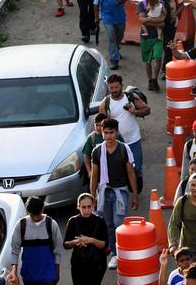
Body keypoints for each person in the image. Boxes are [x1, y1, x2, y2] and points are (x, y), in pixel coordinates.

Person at [89, 117, 138, 268]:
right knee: (108, 224)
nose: (108, 136)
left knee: (118, 223)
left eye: (111, 132)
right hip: (104, 192)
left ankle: (122, 253)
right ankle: (114, 255)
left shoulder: (124, 149)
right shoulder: (97, 151)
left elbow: (130, 172)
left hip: (120, 192)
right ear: (101, 133)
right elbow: (95, 175)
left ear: (117, 133)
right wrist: (92, 197)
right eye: (105, 132)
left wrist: (135, 195)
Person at [7, 196, 64, 285]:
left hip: (48, 276)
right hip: (28, 276)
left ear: (43, 209)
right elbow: (15, 250)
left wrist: (56, 271)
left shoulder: (51, 224)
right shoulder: (21, 225)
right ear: (27, 211)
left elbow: (58, 251)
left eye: (38, 214)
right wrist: (13, 272)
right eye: (32, 215)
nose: (36, 218)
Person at [63, 192, 109, 285]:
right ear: (78, 207)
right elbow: (66, 244)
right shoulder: (72, 221)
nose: (87, 210)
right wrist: (76, 241)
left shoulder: (100, 220)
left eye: (89, 206)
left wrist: (91, 240)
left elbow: (104, 245)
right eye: (83, 207)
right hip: (78, 263)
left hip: (97, 263)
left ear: (93, 206)